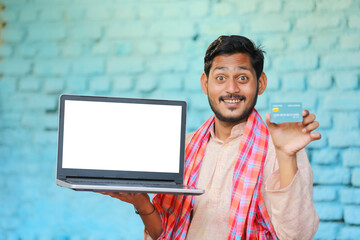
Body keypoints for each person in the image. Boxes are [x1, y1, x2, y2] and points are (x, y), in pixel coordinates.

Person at [101, 35, 321, 240]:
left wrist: (285, 155)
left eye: (243, 77)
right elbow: (164, 232)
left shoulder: (281, 149)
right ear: (205, 83)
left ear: (261, 83)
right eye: (221, 78)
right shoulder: (185, 147)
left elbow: (297, 235)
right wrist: (141, 202)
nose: (232, 88)